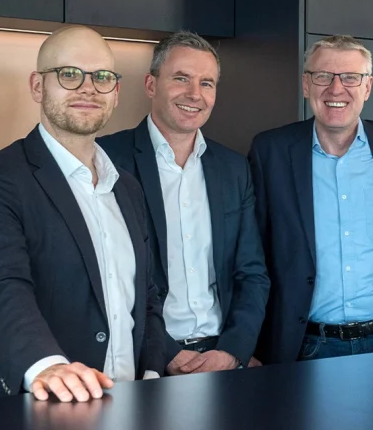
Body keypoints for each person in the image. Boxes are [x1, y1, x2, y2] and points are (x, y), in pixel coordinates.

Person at [0, 26, 164, 402]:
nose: (88, 88)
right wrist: (46, 366)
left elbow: (146, 295)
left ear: (116, 93)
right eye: (69, 74)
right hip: (41, 403)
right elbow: (0, 286)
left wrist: (151, 370)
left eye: (102, 77)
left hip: (129, 401)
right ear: (38, 86)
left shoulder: (128, 187)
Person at [248, 35, 373, 363]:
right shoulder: (270, 152)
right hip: (304, 347)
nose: (336, 89)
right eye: (323, 76)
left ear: (367, 87)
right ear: (306, 85)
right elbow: (250, 252)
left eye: (350, 77)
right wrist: (248, 346)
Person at [98, 31, 270, 374]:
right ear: (151, 85)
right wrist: (167, 354)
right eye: (181, 78)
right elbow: (104, 276)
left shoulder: (233, 168)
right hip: (143, 358)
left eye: (207, 83)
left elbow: (252, 273)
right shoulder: (107, 159)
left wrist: (233, 351)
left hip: (221, 358)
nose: (195, 94)